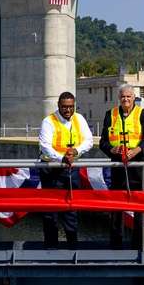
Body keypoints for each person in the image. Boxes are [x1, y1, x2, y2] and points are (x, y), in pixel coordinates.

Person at [99, 84, 144, 249]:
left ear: (134, 97)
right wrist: (112, 149)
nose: (126, 99)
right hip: (118, 166)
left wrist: (137, 150)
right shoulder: (110, 115)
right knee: (116, 208)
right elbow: (103, 142)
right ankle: (115, 245)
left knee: (139, 207)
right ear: (119, 98)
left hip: (138, 166)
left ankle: (138, 245)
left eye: (129, 96)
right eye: (123, 96)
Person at [38, 92, 94, 249]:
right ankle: (51, 249)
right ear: (58, 105)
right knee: (51, 212)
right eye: (64, 107)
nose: (68, 110)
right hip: (51, 170)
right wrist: (61, 158)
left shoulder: (79, 119)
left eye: (71, 107)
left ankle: (73, 248)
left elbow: (89, 140)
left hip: (71, 170)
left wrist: (75, 151)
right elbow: (46, 146)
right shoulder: (48, 122)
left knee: (71, 210)